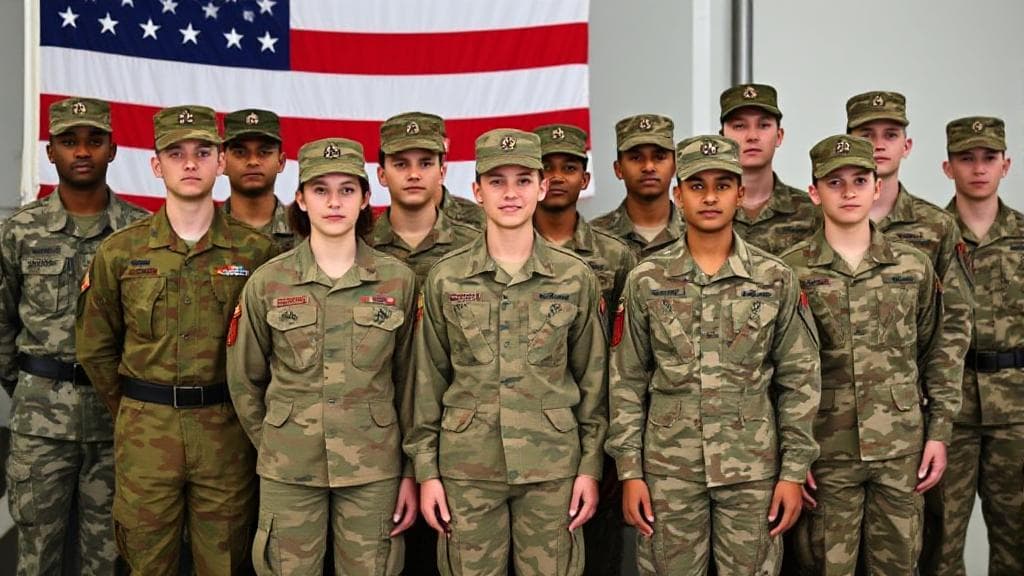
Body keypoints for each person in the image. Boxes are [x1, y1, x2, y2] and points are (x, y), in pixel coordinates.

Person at [76, 105, 277, 575]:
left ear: (220, 162)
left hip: (226, 432)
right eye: (176, 152)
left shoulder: (257, 254)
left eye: (202, 152)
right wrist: (135, 410)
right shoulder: (121, 252)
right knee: (146, 560)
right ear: (155, 165)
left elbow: (270, 352)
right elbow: (95, 347)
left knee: (225, 560)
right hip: (147, 432)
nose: (190, 163)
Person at [607, 135, 820, 575]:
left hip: (751, 473)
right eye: (697, 185)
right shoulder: (647, 280)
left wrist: (793, 472)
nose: (709, 197)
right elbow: (626, 381)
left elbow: (799, 380)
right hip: (669, 472)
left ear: (740, 195)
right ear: (677, 194)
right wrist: (630, 472)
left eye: (723, 185)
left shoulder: (774, 279)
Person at [406, 128, 607, 576]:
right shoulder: (446, 279)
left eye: (522, 180)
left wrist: (590, 468)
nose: (510, 193)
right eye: (497, 181)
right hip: (467, 470)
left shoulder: (574, 278)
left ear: (541, 187)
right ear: (476, 191)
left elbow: (594, 383)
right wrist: (427, 472)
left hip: (552, 468)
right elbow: (427, 381)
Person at [227, 137, 417, 575]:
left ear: (366, 198)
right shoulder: (267, 282)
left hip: (373, 468)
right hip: (289, 468)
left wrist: (408, 470)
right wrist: (277, 441)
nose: (334, 202)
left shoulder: (397, 282)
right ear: (300, 197)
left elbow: (412, 384)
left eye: (347, 190)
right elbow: (245, 380)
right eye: (320, 190)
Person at [781, 134, 954, 575]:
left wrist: (939, 433)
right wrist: (792, 458)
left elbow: (935, 353)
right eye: (835, 183)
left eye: (860, 180)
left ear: (878, 187)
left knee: (898, 566)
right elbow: (773, 370)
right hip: (825, 450)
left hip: (900, 450)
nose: (849, 191)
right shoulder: (788, 271)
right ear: (814, 192)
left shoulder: (912, 267)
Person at [0, 96, 147, 575]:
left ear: (113, 149)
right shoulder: (20, 232)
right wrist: (27, 386)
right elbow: (2, 324)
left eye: (93, 141)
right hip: (40, 425)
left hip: (115, 423)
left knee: (107, 557)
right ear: (51, 152)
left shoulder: (138, 234)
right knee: (36, 556)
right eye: (68, 141)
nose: (81, 151)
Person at [843, 92, 971, 572]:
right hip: (836, 433)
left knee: (914, 550)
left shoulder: (936, 228)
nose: (878, 145)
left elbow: (950, 332)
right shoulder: (818, 227)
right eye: (865, 135)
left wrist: (938, 423)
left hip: (904, 427)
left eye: (889, 135)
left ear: (907, 145)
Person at [532, 122, 635, 576]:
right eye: (547, 168)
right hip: (524, 432)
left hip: (596, 430)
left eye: (569, 167)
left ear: (586, 179)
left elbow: (624, 354)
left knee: (596, 553)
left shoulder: (614, 257)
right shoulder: (496, 253)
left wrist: (613, 450)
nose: (557, 177)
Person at [922, 117, 1023, 576]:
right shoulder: (929, 240)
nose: (978, 168)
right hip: (951, 412)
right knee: (941, 543)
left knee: (1016, 537)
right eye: (966, 158)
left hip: (1017, 410)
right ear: (948, 167)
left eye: (988, 158)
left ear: (1006, 164)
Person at [368, 112, 480, 287]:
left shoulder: (477, 244)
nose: (413, 175)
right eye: (401, 164)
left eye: (425, 164)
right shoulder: (360, 244)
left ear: (442, 172)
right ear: (382, 175)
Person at [719, 83, 821, 255]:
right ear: (722, 138)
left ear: (779, 136)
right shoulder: (705, 211)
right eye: (739, 126)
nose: (752, 136)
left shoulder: (812, 212)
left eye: (763, 125)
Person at [591, 115, 683, 259]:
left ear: (674, 167)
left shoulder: (697, 232)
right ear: (618, 169)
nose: (648, 167)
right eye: (636, 158)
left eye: (659, 157)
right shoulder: (592, 237)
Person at [220, 108, 295, 252]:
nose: (253, 161)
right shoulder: (201, 231)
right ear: (222, 163)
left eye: (264, 152)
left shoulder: (307, 234)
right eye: (240, 152)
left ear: (281, 162)